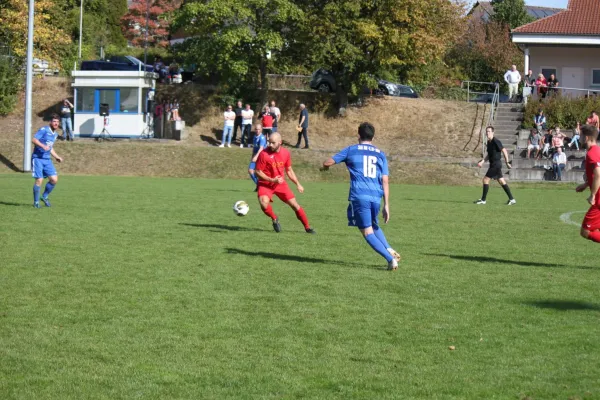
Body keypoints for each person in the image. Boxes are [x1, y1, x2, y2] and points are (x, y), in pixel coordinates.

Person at [321, 122, 401, 271]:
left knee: (367, 232)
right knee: (374, 225)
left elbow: (329, 162)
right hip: (376, 197)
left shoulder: (352, 150)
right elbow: (385, 180)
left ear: (358, 135)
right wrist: (387, 205)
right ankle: (388, 248)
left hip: (360, 196)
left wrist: (324, 167)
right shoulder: (380, 154)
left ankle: (390, 259)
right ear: (373, 136)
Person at [254, 132, 315, 234]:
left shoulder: (285, 153)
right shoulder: (263, 154)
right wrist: (272, 180)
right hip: (266, 183)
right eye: (269, 142)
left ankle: (307, 227)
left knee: (295, 205)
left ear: (280, 142)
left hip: (280, 184)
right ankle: (274, 218)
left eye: (273, 143)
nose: (270, 145)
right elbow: (258, 172)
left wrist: (298, 184)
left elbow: (289, 170)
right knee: (264, 204)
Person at [475, 126, 516, 205]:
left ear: (493, 132)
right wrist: (482, 161)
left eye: (489, 131)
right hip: (493, 164)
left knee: (485, 180)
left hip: (496, 165)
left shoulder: (496, 141)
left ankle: (483, 200)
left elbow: (504, 150)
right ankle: (512, 199)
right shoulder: (489, 142)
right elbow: (489, 155)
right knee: (501, 181)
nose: (487, 133)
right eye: (487, 131)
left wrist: (507, 162)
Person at [31, 114, 64, 208]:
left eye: (57, 122)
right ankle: (36, 202)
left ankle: (44, 196)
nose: (56, 123)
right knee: (39, 180)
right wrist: (42, 146)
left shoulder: (55, 134)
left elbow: (50, 148)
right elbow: (34, 139)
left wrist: (57, 157)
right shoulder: (44, 130)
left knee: (54, 180)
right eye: (54, 121)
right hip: (37, 158)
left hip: (47, 160)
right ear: (50, 122)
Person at [574, 124, 600, 243]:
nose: (579, 138)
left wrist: (593, 195)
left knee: (586, 231)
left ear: (587, 137)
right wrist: (585, 185)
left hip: (599, 201)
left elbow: (598, 174)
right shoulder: (596, 150)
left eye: (581, 135)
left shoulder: (592, 154)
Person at [248, 123, 266, 190]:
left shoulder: (262, 138)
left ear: (261, 129)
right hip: (255, 155)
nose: (257, 130)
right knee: (250, 170)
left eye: (259, 129)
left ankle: (260, 186)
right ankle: (259, 185)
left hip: (261, 156)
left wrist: (256, 156)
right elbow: (254, 147)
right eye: (256, 129)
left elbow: (261, 148)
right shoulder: (255, 136)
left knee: (259, 172)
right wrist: (252, 155)